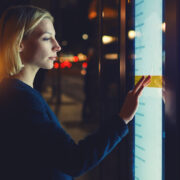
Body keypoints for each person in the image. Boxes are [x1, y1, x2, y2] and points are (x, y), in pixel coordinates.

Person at [0, 5, 151, 180]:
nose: (57, 46)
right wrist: (122, 118)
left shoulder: (15, 92)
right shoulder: (21, 99)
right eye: (47, 38)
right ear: (20, 44)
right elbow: (75, 160)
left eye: (54, 38)